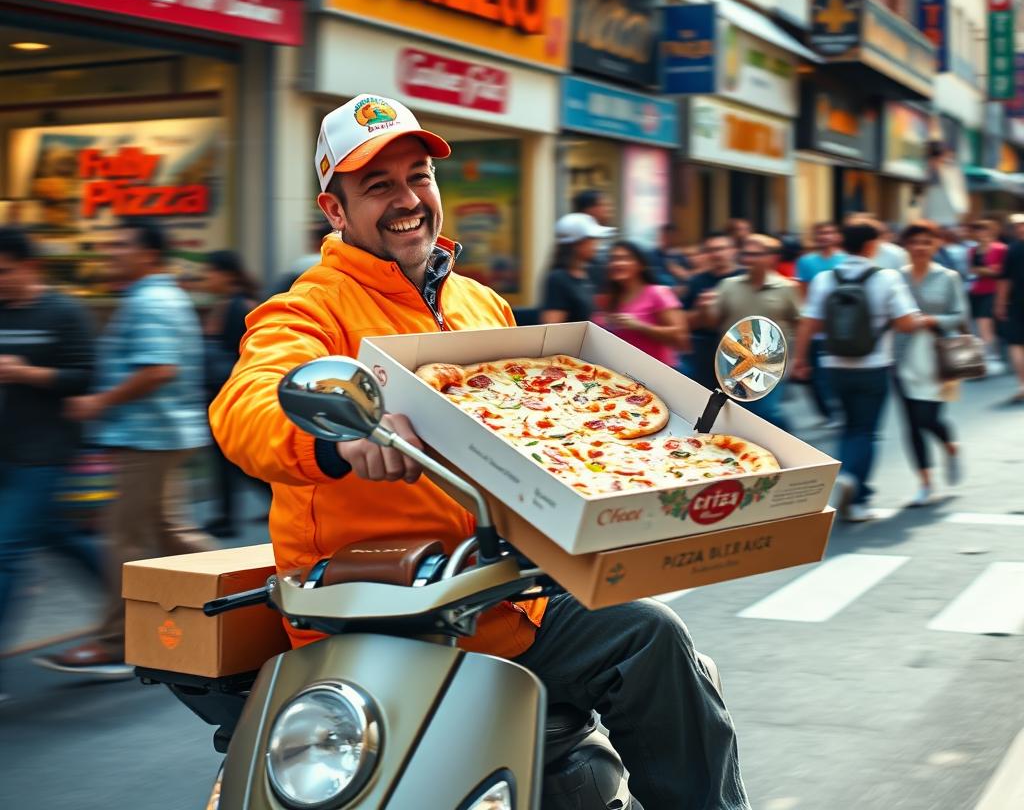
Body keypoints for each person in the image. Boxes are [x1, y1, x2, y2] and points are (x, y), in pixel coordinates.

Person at [208, 94, 750, 809]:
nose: (408, 200)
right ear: (334, 211)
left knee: (654, 636)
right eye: (378, 186)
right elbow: (246, 408)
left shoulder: (482, 304)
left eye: (419, 177)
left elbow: (539, 426)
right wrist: (341, 440)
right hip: (383, 612)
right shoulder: (307, 309)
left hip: (502, 598)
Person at [37, 221, 214, 677]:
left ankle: (116, 642)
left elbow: (158, 369)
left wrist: (98, 401)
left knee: (124, 539)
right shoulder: (158, 295)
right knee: (170, 534)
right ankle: (245, 595)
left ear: (148, 253)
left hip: (147, 437)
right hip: (158, 435)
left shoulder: (151, 300)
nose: (111, 252)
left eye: (121, 244)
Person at [0, 228, 99, 699]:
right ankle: (130, 593)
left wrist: (26, 373)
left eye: (5, 271)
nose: (0, 281)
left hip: (46, 452)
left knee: (6, 552)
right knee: (57, 536)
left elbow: (83, 376)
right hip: (6, 450)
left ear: (30, 266)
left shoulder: (63, 312)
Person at [793, 219, 920, 522]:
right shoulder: (887, 277)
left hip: (834, 365)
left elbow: (810, 323)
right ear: (871, 245)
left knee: (848, 426)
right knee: (866, 430)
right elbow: (906, 323)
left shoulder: (825, 278)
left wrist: (800, 359)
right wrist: (918, 319)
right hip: (873, 365)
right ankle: (855, 486)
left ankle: (850, 483)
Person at [893, 222, 967, 507]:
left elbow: (960, 316)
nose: (920, 247)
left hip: (938, 357)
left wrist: (931, 320)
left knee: (928, 418)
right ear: (906, 246)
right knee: (911, 423)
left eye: (926, 242)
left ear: (935, 244)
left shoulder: (948, 277)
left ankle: (950, 446)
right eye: (915, 242)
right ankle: (925, 483)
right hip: (902, 357)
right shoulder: (895, 277)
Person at [712, 234, 801, 431]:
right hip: (733, 363)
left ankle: (789, 438)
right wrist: (704, 309)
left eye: (756, 254)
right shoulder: (728, 285)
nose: (749, 259)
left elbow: (799, 323)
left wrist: (799, 359)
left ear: (771, 257)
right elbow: (713, 320)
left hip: (772, 365)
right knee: (745, 414)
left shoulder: (787, 287)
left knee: (768, 411)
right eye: (746, 254)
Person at [201, 250, 261, 538]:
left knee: (233, 458)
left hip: (233, 391)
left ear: (226, 274)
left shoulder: (241, 307)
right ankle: (227, 515)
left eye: (210, 272)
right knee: (230, 459)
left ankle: (228, 518)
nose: (206, 279)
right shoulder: (224, 305)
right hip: (218, 391)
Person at [595, 240, 689, 366]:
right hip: (624, 372)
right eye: (613, 259)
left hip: (658, 373)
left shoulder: (658, 293)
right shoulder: (611, 298)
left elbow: (680, 337)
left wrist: (639, 326)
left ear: (641, 265)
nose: (616, 263)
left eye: (624, 258)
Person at [795, 222, 846, 426]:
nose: (825, 236)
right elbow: (803, 292)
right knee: (815, 375)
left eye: (830, 232)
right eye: (821, 233)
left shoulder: (845, 259)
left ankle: (842, 409)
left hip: (841, 327)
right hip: (815, 328)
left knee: (839, 373)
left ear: (837, 236)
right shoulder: (806, 261)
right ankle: (828, 413)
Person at [684, 233, 743, 389]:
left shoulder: (745, 278)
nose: (716, 254)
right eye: (711, 250)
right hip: (704, 349)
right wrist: (702, 310)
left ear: (734, 250)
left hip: (740, 350)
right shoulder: (697, 281)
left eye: (721, 249)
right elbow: (684, 320)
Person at [539, 213, 613, 324]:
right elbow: (552, 328)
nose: (596, 244)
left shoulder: (590, 274)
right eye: (592, 239)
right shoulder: (558, 279)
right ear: (576, 244)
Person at [968, 217, 1008, 373]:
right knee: (979, 327)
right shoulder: (972, 250)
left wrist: (984, 270)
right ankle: (989, 357)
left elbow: (1000, 271)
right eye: (977, 230)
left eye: (984, 229)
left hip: (994, 291)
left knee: (986, 325)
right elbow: (971, 270)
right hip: (976, 290)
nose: (981, 233)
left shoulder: (1000, 249)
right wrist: (986, 270)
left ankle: (991, 358)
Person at [995, 212, 1024, 404]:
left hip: (1017, 303)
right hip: (1016, 303)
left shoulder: (1012, 249)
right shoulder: (1011, 249)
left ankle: (1023, 385)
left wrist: (1000, 304)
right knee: (1016, 345)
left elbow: (1005, 281)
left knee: (1016, 345)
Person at [649, 223, 693, 299]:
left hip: (678, 294)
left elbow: (689, 278)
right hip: (657, 293)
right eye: (665, 235)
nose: (667, 239)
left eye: (671, 236)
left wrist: (682, 282)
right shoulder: (651, 255)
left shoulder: (682, 257)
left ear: (676, 237)